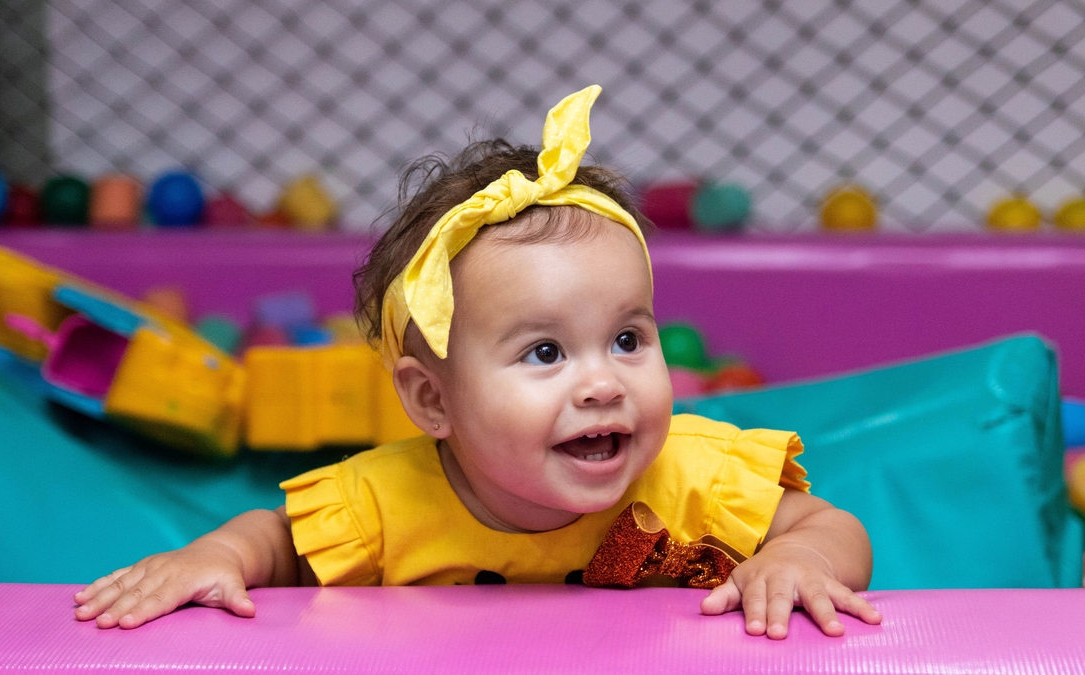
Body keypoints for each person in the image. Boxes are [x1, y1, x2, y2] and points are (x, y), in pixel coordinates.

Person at [74, 86, 880, 639]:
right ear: (434, 400)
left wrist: (796, 560)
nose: (604, 382)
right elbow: (277, 540)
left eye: (628, 339)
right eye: (545, 352)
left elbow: (832, 525)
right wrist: (215, 557)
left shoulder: (695, 474)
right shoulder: (386, 501)